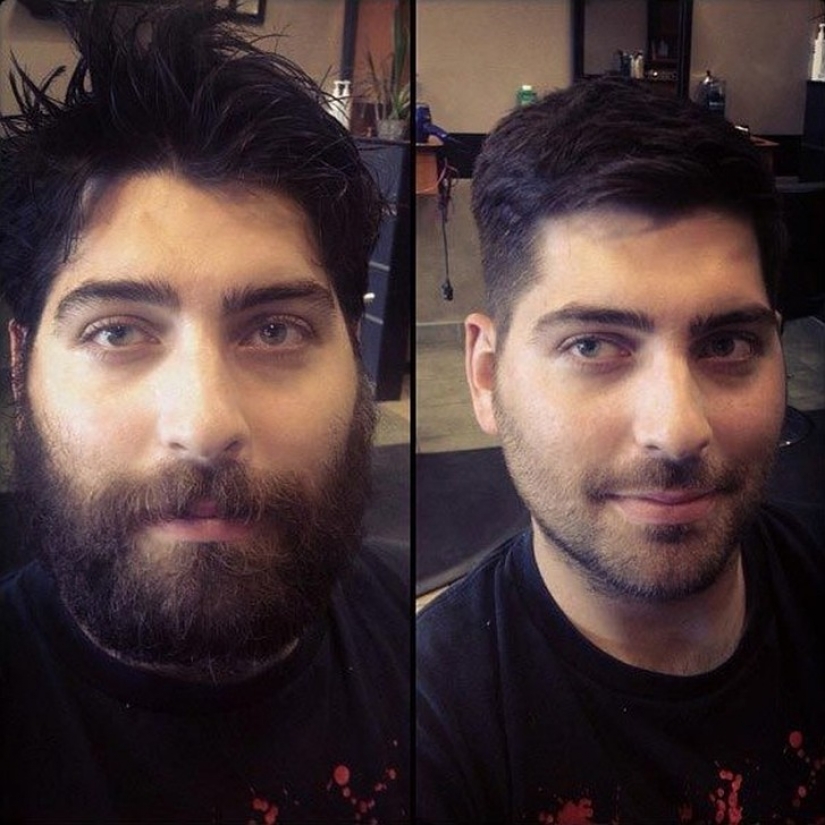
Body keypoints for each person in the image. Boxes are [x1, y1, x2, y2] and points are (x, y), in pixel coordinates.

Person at [0, 3, 409, 822]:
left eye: (274, 329)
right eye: (117, 331)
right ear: (20, 363)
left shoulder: (420, 646)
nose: (205, 423)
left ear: (351, 350)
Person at [417, 77, 825, 824]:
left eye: (726, 344)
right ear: (486, 375)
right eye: (593, 345)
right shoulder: (425, 729)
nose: (677, 429)